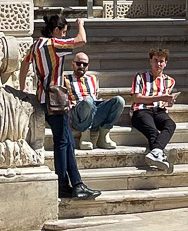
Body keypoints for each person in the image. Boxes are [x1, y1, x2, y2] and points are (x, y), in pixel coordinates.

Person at [20, 14, 101, 202]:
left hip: (42, 98)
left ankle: (68, 185)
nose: (64, 36)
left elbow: (25, 64)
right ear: (56, 30)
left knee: (65, 141)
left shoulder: (35, 45)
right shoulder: (54, 44)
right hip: (56, 99)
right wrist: (80, 24)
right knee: (64, 142)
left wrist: (23, 86)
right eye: (63, 32)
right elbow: (82, 40)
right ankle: (72, 185)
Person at [61, 52, 126, 150]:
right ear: (73, 64)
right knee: (88, 101)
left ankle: (104, 135)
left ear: (88, 66)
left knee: (119, 101)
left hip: (94, 109)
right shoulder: (65, 79)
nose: (81, 66)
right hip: (77, 114)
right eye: (78, 64)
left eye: (85, 64)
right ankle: (85, 135)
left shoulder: (93, 79)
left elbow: (96, 96)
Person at [130, 48, 179, 170]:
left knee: (171, 125)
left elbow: (164, 101)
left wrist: (169, 102)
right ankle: (162, 157)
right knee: (153, 132)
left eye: (161, 61)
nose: (158, 64)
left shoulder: (170, 81)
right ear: (150, 61)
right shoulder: (140, 77)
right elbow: (137, 98)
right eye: (156, 60)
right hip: (141, 110)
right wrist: (161, 97)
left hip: (159, 111)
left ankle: (156, 153)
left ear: (165, 63)